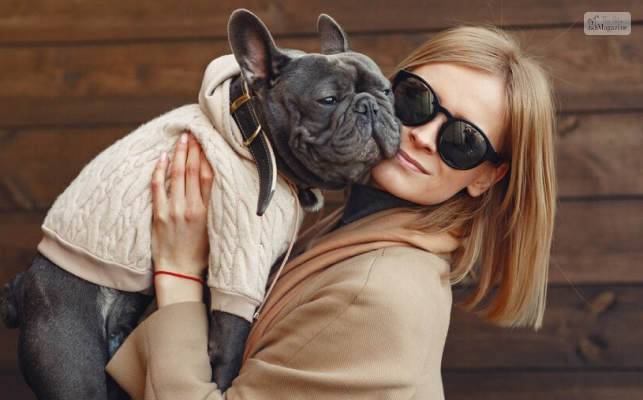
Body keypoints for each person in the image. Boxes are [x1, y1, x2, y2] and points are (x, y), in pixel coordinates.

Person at [106, 24, 557, 399]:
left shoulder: (377, 293)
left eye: (462, 140)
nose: (421, 135)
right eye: (415, 101)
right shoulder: (341, 230)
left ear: (484, 177)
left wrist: (180, 271)